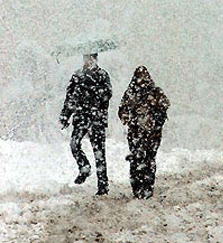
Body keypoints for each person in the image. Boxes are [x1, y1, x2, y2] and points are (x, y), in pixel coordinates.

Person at [59, 53, 112, 196]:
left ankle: (103, 185)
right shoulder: (77, 76)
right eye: (86, 58)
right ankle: (84, 167)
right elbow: (69, 97)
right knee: (74, 144)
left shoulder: (102, 75)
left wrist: (92, 91)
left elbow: (107, 94)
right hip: (81, 118)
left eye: (91, 58)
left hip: (97, 119)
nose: (88, 61)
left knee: (99, 152)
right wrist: (65, 115)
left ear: (95, 59)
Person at [118, 66, 170, 199]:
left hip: (152, 133)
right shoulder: (130, 92)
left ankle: (147, 187)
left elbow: (165, 104)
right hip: (135, 133)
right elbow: (122, 108)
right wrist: (125, 117)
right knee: (136, 160)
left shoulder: (155, 92)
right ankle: (137, 188)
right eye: (139, 77)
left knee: (149, 160)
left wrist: (155, 104)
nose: (141, 80)